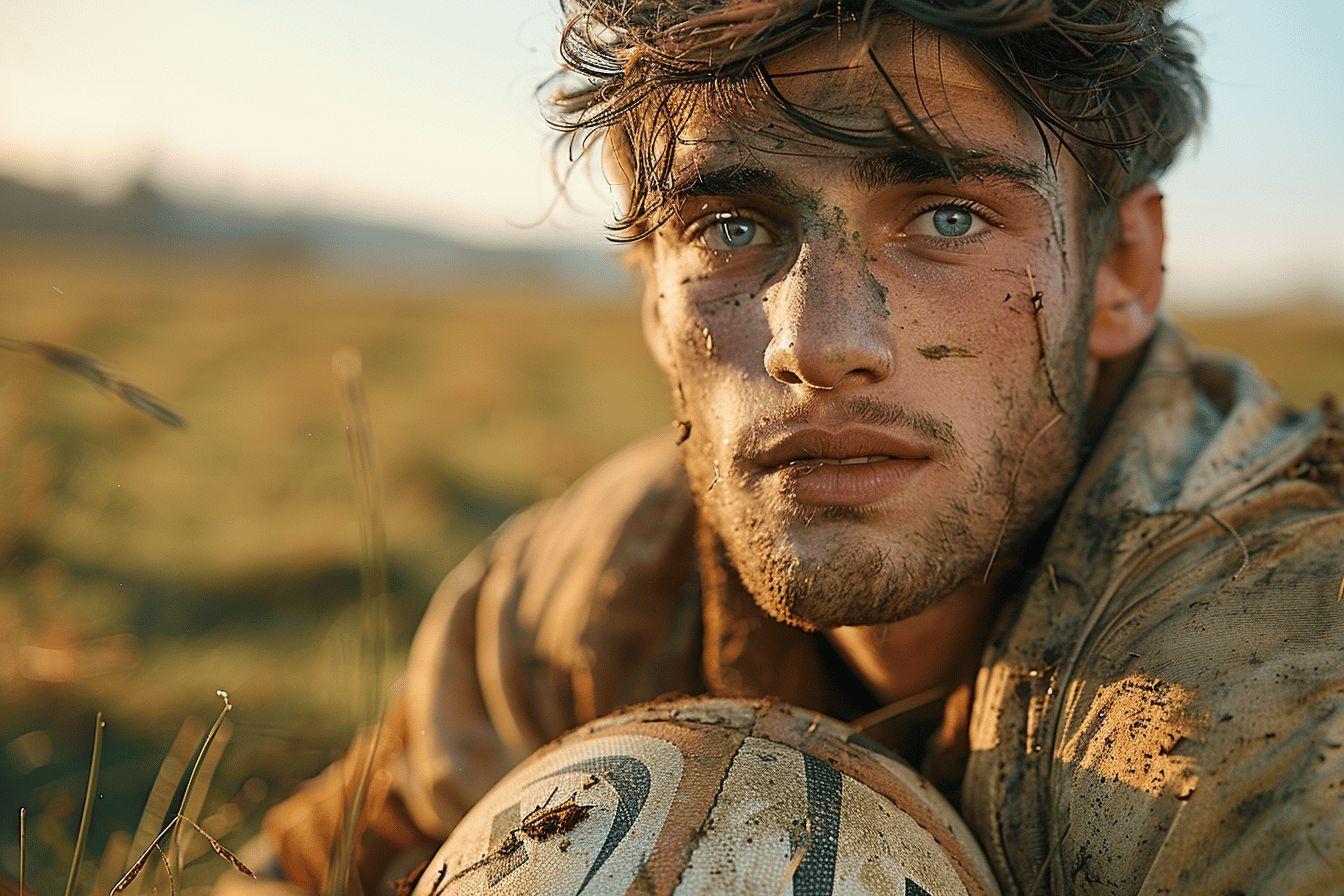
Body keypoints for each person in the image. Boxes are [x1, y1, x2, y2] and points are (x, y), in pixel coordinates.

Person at [236, 2, 1344, 894]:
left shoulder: (1269, 713)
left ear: (1125, 271)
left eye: (948, 216)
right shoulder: (584, 598)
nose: (818, 344)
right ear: (649, 299)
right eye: (729, 228)